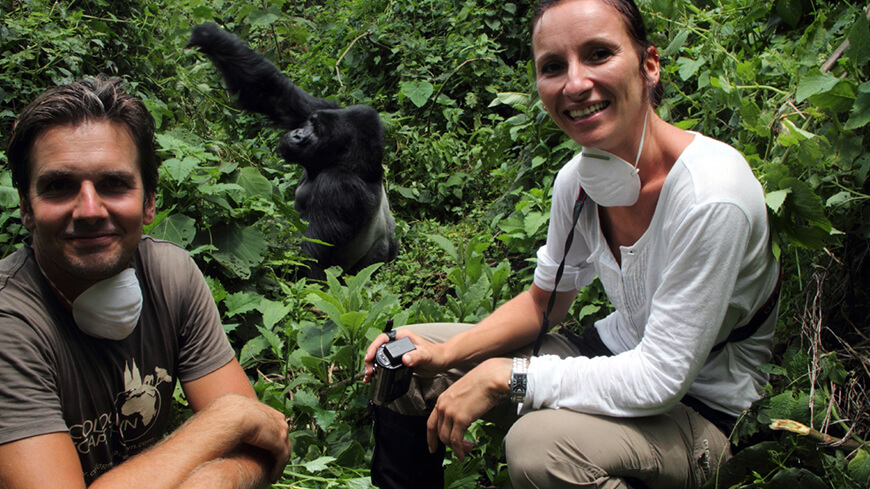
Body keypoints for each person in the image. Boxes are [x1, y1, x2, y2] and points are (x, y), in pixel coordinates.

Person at [362, 0, 780, 488]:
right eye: (553, 67)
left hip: (700, 411)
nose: (575, 84)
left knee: (539, 448)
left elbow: (661, 379)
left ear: (649, 65)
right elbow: (545, 302)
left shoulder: (712, 196)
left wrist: (507, 375)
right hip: (611, 354)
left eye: (599, 54)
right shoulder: (578, 182)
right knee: (409, 354)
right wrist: (446, 353)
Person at [0, 76, 292, 488]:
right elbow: (243, 424)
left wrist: (211, 482)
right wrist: (226, 418)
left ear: (149, 200)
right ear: (26, 208)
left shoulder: (170, 276)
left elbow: (266, 446)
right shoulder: (10, 323)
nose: (88, 209)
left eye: (113, 184)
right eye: (59, 186)